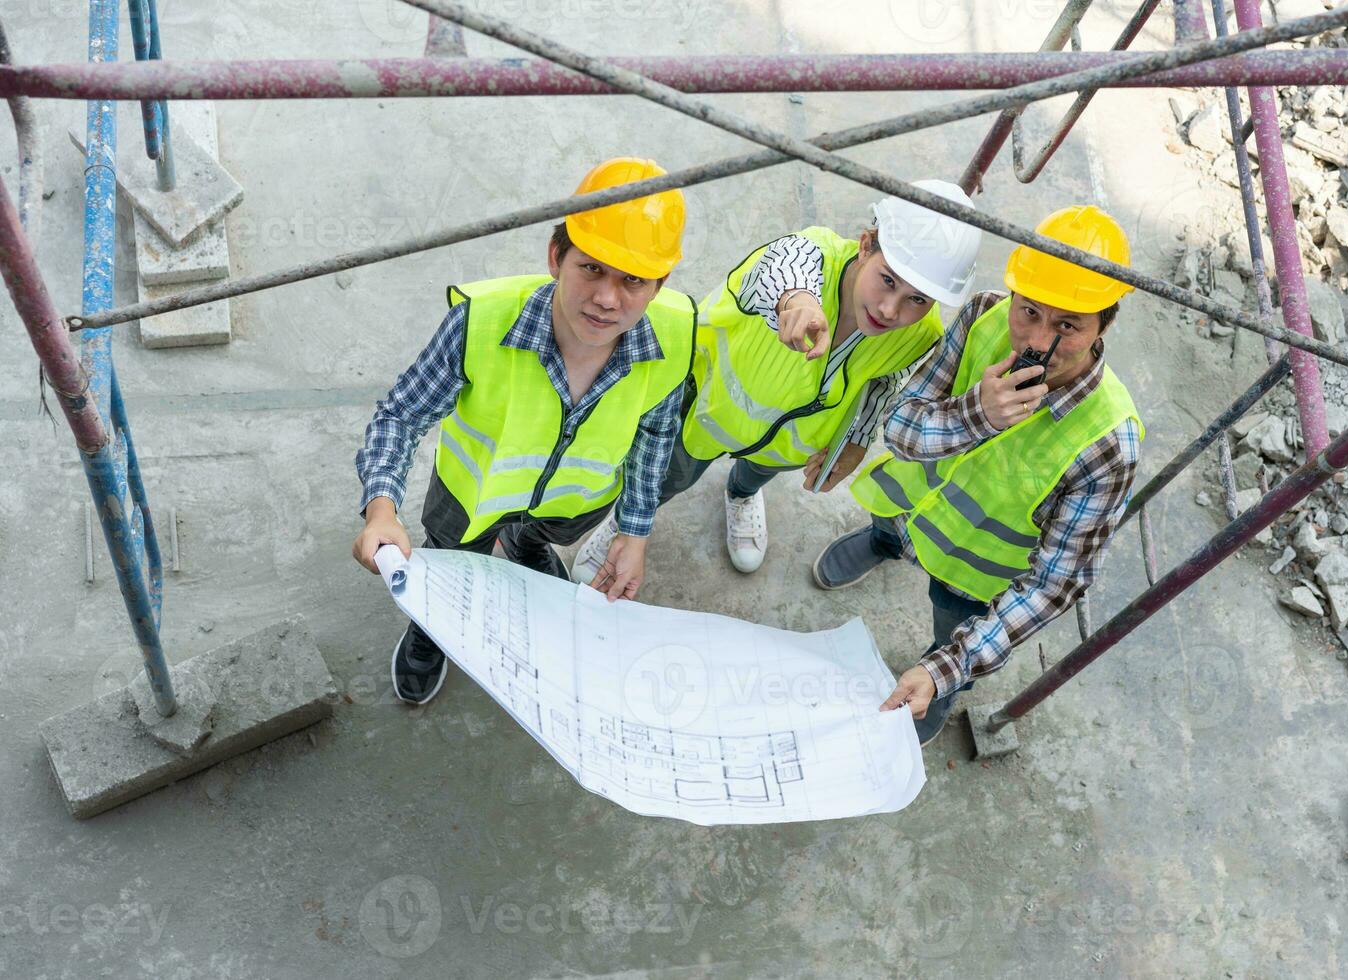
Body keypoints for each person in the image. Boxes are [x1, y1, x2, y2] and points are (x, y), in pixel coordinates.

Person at [352, 157, 695, 705]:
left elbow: (655, 434)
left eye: (633, 280)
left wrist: (634, 531)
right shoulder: (482, 323)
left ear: (660, 285)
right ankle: (432, 625)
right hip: (470, 499)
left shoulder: (674, 341)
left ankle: (524, 542)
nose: (608, 298)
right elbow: (401, 415)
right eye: (592, 269)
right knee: (452, 563)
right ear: (557, 256)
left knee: (540, 535)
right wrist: (382, 511)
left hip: (571, 504)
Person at [810, 205, 1144, 747]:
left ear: (1105, 323)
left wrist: (948, 666)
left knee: (949, 625)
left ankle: (937, 683)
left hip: (972, 574)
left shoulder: (1109, 442)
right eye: (1029, 311)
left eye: (1068, 325)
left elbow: (1055, 584)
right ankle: (883, 544)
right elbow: (899, 427)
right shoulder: (984, 316)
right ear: (1012, 295)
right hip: (906, 506)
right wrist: (977, 415)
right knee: (889, 525)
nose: (1038, 340)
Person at [572, 179, 984, 581]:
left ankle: (742, 494)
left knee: (756, 472)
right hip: (704, 409)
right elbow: (783, 269)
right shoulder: (806, 255)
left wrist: (857, 440)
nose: (891, 310)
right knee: (669, 475)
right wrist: (797, 302)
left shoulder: (921, 333)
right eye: (888, 280)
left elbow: (885, 382)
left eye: (917, 299)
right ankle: (628, 524)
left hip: (786, 442)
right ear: (864, 244)